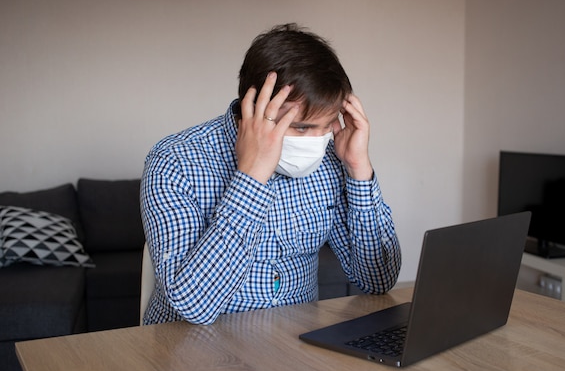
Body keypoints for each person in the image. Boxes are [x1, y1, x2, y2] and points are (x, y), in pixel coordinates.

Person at [140, 23, 401, 325]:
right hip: (191, 348)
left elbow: (378, 279)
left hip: (292, 347)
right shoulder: (174, 160)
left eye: (326, 125)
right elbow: (193, 307)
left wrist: (358, 169)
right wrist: (251, 176)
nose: (315, 141)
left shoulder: (332, 159)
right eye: (300, 127)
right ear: (251, 107)